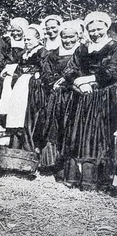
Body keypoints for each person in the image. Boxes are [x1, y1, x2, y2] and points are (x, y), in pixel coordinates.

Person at [56, 11, 117, 190]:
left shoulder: (114, 47)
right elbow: (69, 69)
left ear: (107, 28)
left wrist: (89, 79)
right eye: (92, 30)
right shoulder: (82, 48)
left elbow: (113, 71)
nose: (95, 33)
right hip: (81, 97)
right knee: (76, 135)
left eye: (99, 29)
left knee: (98, 137)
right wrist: (78, 82)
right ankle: (75, 178)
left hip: (104, 98)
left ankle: (96, 181)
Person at [39, 20, 82, 172]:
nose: (68, 40)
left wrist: (68, 82)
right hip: (56, 97)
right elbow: (46, 74)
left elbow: (82, 72)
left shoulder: (83, 53)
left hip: (75, 97)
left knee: (72, 129)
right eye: (64, 37)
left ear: (78, 35)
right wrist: (54, 83)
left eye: (71, 36)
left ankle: (71, 168)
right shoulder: (53, 54)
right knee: (54, 128)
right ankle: (53, 164)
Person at [4, 24, 49, 152]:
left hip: (32, 90)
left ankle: (29, 148)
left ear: (38, 39)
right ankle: (16, 146)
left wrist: (36, 77)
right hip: (20, 89)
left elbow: (45, 72)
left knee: (28, 118)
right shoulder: (24, 53)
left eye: (29, 39)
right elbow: (18, 69)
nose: (26, 42)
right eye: (25, 39)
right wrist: (15, 81)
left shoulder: (42, 52)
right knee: (17, 116)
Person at [0, 18, 29, 118]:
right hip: (6, 72)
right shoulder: (6, 41)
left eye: (18, 31)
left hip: (19, 73)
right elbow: (0, 57)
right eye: (13, 31)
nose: (15, 33)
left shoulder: (27, 42)